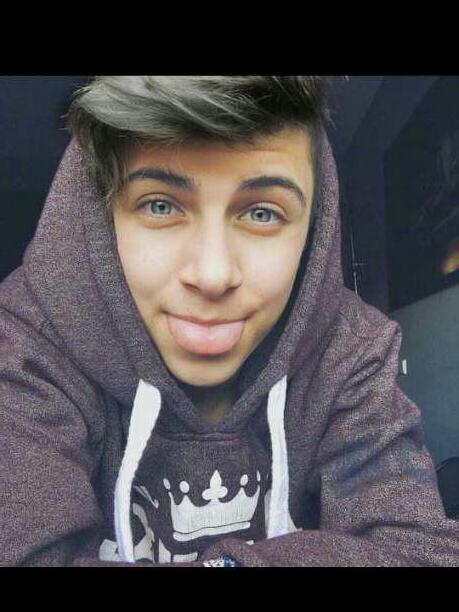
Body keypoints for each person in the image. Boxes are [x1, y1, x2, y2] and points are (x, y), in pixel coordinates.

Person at [0, 76, 458, 567]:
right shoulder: (28, 346)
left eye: (262, 213)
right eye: (160, 205)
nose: (213, 275)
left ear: (314, 231)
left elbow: (417, 551)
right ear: (100, 216)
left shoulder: (350, 348)